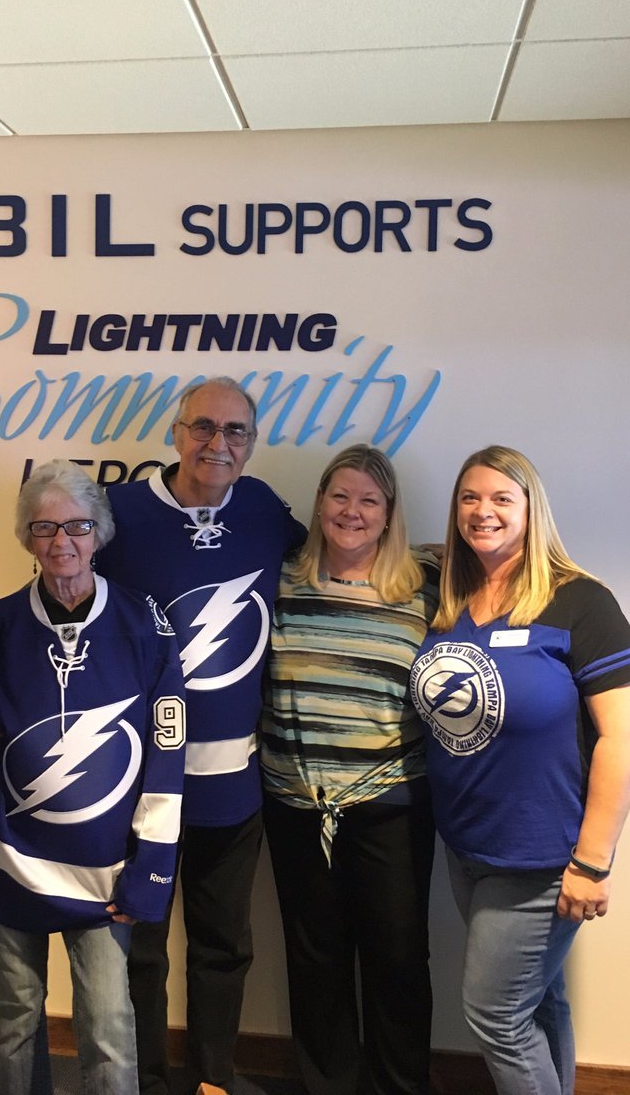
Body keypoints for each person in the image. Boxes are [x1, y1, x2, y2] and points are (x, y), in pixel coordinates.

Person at [409, 445, 630, 1095]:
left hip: (542, 856)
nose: (482, 511)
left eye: (500, 499)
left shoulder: (580, 603)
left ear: (531, 509)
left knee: (496, 1016)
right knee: (541, 1005)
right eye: (469, 498)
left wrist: (593, 863)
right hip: (467, 846)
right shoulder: (451, 596)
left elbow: (625, 734)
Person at [96, 377, 306, 1095]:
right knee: (140, 945)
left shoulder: (263, 510)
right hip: (139, 783)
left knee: (224, 944)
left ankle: (212, 1077)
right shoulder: (118, 514)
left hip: (233, 781)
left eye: (236, 431)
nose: (219, 444)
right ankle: (146, 1080)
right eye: (204, 427)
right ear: (177, 431)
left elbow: (332, 565)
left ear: (252, 440)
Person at [0, 460, 186, 1095]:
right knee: (14, 1023)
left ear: (100, 532)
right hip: (10, 860)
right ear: (27, 538)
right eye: (45, 528)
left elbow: (168, 753)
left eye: (78, 527)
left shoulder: (145, 623)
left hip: (104, 873)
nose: (63, 542)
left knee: (110, 1028)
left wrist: (155, 864)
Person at [262, 444, 438, 1095]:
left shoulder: (423, 588)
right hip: (295, 802)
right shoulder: (279, 579)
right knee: (316, 962)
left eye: (369, 500)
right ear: (318, 503)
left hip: (391, 805)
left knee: (397, 961)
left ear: (389, 513)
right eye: (340, 496)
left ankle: (400, 1086)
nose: (352, 511)